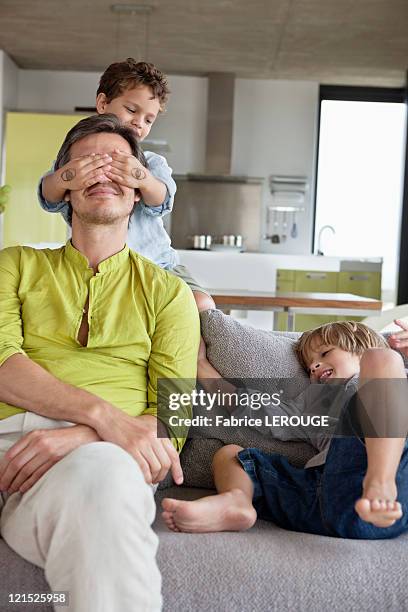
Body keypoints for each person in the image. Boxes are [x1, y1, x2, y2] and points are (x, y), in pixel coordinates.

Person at [0, 114, 200, 611]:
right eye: (86, 165)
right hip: (12, 453)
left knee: (104, 477)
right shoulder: (14, 265)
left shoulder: (171, 293)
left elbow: (173, 415)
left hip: (114, 457)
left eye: (118, 165)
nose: (103, 174)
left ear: (137, 193)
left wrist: (86, 436)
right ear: (65, 190)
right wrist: (104, 418)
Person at [162, 321, 408, 539]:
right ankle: (237, 500)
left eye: (325, 352)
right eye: (310, 366)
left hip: (395, 488)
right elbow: (259, 411)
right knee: (230, 455)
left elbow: (384, 363)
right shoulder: (315, 401)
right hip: (324, 496)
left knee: (383, 359)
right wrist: (201, 365)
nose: (314, 367)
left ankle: (380, 483)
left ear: (361, 344)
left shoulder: (391, 372)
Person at [38, 57, 215, 312]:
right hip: (98, 269)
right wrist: (68, 176)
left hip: (158, 264)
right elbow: (48, 196)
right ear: (102, 103)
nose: (138, 123)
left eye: (148, 120)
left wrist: (141, 177)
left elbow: (162, 199)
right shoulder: (77, 160)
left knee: (200, 304)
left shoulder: (151, 163)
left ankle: (198, 354)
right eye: (132, 110)